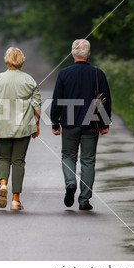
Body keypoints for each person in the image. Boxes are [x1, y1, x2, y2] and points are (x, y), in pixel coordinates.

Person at [50, 39, 112, 211]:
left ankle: (71, 183)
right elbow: (105, 99)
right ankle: (84, 200)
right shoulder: (98, 73)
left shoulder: (64, 73)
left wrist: (55, 122)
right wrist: (105, 123)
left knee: (68, 156)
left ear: (72, 54)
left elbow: (57, 100)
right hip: (91, 122)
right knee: (88, 161)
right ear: (89, 54)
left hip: (69, 122)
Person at [0, 47, 42, 211]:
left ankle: (3, 184)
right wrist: (36, 124)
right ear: (21, 61)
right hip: (23, 126)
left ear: (7, 60)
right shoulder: (29, 80)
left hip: (1, 125)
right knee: (18, 162)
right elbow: (37, 105)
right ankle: (15, 200)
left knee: (3, 158)